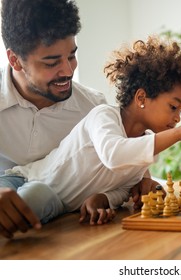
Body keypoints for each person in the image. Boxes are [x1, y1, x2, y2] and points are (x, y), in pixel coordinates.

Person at [5, 36, 181, 230]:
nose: (178, 118)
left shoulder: (145, 146)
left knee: (40, 204)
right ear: (141, 98)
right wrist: (180, 134)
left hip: (55, 204)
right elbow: (114, 155)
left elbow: (124, 187)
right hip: (20, 179)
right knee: (34, 197)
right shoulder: (103, 115)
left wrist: (103, 198)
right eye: (173, 107)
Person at [0, 0, 106, 238]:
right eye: (52, 62)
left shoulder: (94, 109)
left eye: (72, 56)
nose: (68, 71)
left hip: (62, 239)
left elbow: (123, 174)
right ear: (15, 59)